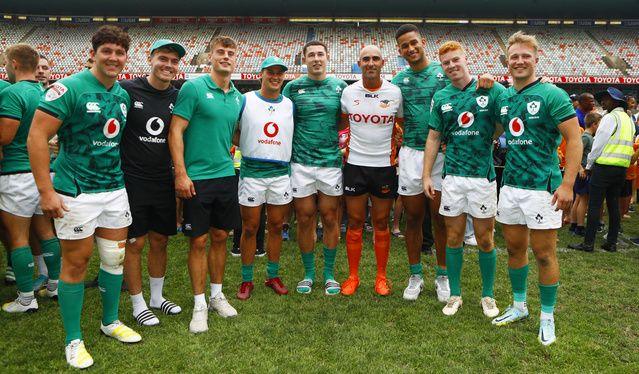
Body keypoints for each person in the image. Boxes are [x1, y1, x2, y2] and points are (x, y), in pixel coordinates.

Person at [28, 26, 141, 369]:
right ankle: (73, 339)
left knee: (113, 259)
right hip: (76, 192)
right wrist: (46, 191)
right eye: (107, 51)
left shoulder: (121, 95)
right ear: (93, 54)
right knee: (76, 265)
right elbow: (36, 137)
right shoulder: (69, 88)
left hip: (114, 190)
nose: (114, 58)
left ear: (125, 58)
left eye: (120, 52)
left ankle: (109, 323)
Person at [392, 24, 496, 302]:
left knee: (441, 218)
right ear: (399, 51)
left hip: (442, 157)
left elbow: (469, 90)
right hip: (411, 154)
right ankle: (415, 275)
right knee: (412, 217)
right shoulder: (399, 80)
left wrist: (485, 78)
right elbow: (400, 117)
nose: (411, 49)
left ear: (422, 42)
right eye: (404, 46)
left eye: (414, 43)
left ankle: (442, 275)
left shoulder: (443, 73)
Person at [491, 31, 581, 347]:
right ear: (507, 61)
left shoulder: (551, 95)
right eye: (514, 56)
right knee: (515, 249)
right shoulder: (505, 98)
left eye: (525, 56)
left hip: (543, 189)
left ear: (535, 59)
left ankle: (547, 316)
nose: (519, 61)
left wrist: (568, 184)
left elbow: (575, 139)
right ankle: (519, 306)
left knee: (544, 254)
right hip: (511, 186)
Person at [423, 41, 505, 317]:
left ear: (465, 59)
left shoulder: (488, 90)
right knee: (454, 237)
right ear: (442, 67)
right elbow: (434, 136)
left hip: (482, 178)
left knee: (484, 239)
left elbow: (506, 119)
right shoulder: (442, 97)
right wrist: (426, 174)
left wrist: (495, 83)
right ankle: (455, 294)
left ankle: (488, 295)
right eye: (446, 63)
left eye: (455, 60)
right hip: (453, 178)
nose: (451, 66)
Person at [168, 35, 242, 334]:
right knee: (198, 240)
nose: (225, 56)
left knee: (221, 236)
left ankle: (216, 295)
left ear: (236, 59)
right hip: (197, 177)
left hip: (226, 175)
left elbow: (234, 136)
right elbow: (176, 131)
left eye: (230, 53)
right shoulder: (194, 87)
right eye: (220, 52)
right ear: (209, 56)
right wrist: (181, 173)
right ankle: (199, 303)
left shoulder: (238, 96)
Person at [120, 39, 186, 326]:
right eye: (163, 58)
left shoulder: (178, 96)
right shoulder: (127, 90)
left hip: (163, 179)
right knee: (135, 243)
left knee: (160, 240)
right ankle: (137, 304)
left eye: (173, 61)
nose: (168, 65)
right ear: (150, 59)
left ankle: (157, 298)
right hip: (132, 180)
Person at [282, 40, 346, 295]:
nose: (316, 59)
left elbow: (342, 120)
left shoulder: (339, 86)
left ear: (327, 57)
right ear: (304, 59)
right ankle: (309, 274)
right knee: (306, 217)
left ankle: (329, 274)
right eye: (311, 55)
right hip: (301, 163)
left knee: (330, 218)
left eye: (320, 54)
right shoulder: (293, 87)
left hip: (330, 163)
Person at [0, 44, 61, 313]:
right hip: (43, 172)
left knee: (18, 238)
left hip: (16, 173)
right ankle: (55, 284)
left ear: (13, 63)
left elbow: (5, 136)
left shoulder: (13, 93)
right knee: (46, 232)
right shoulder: (44, 92)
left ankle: (26, 298)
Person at [340, 45, 403, 296]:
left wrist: (399, 144)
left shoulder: (395, 92)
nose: (371, 63)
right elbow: (343, 126)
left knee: (380, 223)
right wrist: (343, 146)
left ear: (383, 62)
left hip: (384, 167)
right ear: (359, 63)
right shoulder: (348, 92)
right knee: (355, 222)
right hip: (355, 165)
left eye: (375, 58)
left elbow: (401, 126)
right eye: (366, 59)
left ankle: (381, 277)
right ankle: (353, 276)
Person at [235, 57, 294, 300]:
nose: (275, 76)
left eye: (280, 73)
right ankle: (247, 280)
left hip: (280, 174)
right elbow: (232, 129)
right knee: (250, 228)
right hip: (252, 173)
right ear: (261, 74)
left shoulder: (290, 104)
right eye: (271, 72)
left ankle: (272, 275)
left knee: (277, 226)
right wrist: (249, 147)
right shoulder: (245, 100)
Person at [569, 87, 635, 253]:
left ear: (615, 101)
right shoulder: (628, 119)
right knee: (613, 205)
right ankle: (611, 242)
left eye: (606, 98)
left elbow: (598, 144)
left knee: (594, 204)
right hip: (621, 168)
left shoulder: (609, 118)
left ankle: (588, 242)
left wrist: (589, 165)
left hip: (604, 166)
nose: (602, 101)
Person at [569, 112, 602, 236]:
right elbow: (576, 153)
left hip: (584, 171)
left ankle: (574, 224)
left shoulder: (589, 137)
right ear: (594, 124)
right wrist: (580, 168)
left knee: (578, 198)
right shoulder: (586, 137)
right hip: (584, 172)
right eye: (600, 124)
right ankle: (580, 226)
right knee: (583, 199)